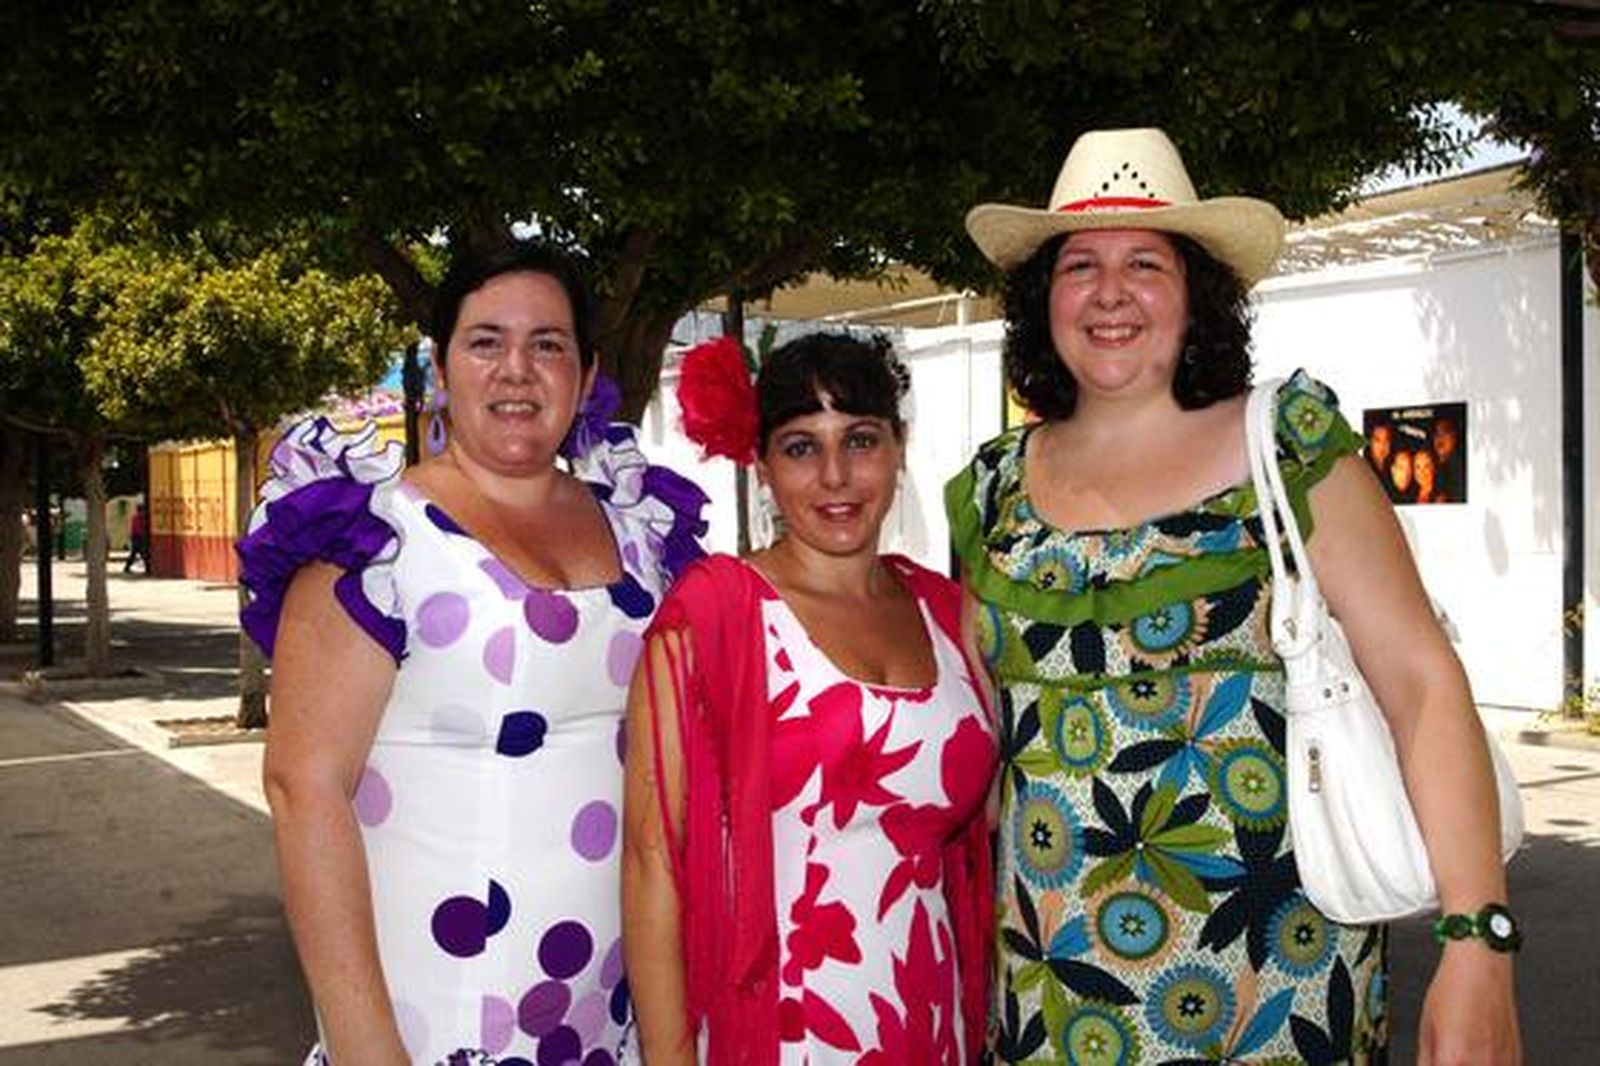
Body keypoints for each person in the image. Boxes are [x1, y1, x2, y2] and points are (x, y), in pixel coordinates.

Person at [947, 128, 1519, 1063]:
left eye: (1147, 262)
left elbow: (1421, 681)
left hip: (1278, 990)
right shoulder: (990, 493)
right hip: (1049, 1000)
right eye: (1078, 264)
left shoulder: (1287, 445)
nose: (1110, 292)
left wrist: (1477, 945)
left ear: (1198, 293)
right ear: (1040, 298)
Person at [237, 240, 707, 1065]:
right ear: (442, 363)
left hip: (611, 1014)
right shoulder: (375, 537)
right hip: (435, 1022)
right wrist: (365, 1047)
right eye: (486, 341)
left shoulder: (641, 530)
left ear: (587, 371)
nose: (517, 370)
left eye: (548, 344)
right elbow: (303, 787)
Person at [622, 332, 997, 1064]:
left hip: (929, 1020)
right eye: (800, 447)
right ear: (761, 465)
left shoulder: (949, 614)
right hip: (779, 1034)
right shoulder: (715, 615)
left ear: (900, 445)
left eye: (860, 439)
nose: (835, 475)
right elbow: (650, 864)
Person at [124, 502, 149, 572]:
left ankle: (127, 567)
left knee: (135, 553)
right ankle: (147, 567)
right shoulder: (141, 518)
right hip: (139, 537)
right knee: (142, 553)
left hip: (135, 537)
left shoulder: (135, 517)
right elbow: (141, 529)